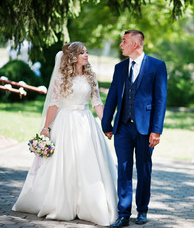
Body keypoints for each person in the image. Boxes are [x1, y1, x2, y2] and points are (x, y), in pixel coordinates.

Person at [12, 42, 118, 226]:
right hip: (65, 122)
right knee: (64, 163)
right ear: (72, 57)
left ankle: (90, 205)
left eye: (86, 52)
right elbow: (54, 104)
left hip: (86, 122)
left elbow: (97, 103)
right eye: (82, 53)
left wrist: (106, 124)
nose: (86, 55)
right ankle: (61, 204)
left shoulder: (91, 77)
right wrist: (46, 128)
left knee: (88, 163)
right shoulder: (61, 78)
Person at [101, 30, 167, 227]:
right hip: (122, 128)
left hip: (146, 129)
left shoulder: (157, 66)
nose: (121, 44)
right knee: (123, 169)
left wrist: (156, 130)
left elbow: (160, 100)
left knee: (144, 170)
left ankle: (143, 210)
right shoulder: (120, 68)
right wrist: (106, 124)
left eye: (124, 41)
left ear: (136, 44)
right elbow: (112, 96)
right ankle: (123, 214)